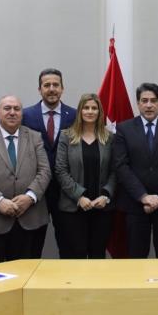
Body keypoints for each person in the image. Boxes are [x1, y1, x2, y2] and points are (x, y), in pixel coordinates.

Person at [0, 95, 51, 264]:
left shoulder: (35, 137)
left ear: (22, 113)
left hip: (30, 218)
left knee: (27, 276)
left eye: (16, 109)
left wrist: (30, 197)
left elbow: (45, 171)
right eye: (7, 108)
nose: (12, 112)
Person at [114, 83, 158, 258]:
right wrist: (144, 197)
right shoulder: (124, 129)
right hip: (135, 204)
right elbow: (121, 166)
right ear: (138, 103)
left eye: (153, 101)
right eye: (144, 101)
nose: (149, 105)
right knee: (136, 257)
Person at [22, 68, 76, 257]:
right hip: (36, 191)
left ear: (62, 88)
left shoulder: (75, 116)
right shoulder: (26, 115)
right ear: (39, 89)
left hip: (66, 192)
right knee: (32, 247)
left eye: (55, 85)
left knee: (69, 245)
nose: (51, 89)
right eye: (47, 85)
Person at [55, 93, 116, 259]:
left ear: (100, 112)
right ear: (80, 111)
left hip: (101, 208)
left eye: (94, 108)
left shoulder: (109, 138)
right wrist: (79, 196)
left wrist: (106, 195)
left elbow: (115, 171)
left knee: (98, 255)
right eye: (86, 108)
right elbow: (60, 170)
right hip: (73, 209)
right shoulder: (66, 136)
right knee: (75, 256)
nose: (90, 111)